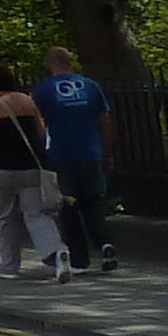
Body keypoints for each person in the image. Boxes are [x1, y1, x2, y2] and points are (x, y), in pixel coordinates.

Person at [0, 60, 67, 281]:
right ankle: (56, 253)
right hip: (31, 166)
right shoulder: (28, 101)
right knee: (36, 214)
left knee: (3, 216)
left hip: (0, 168)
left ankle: (8, 266)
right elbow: (42, 135)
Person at [38, 44, 118, 271]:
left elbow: (39, 125)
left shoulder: (44, 90)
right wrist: (107, 151)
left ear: (49, 64)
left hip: (62, 155)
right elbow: (106, 121)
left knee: (68, 206)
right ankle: (105, 244)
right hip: (91, 153)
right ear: (71, 61)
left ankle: (80, 259)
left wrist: (43, 149)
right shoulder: (91, 86)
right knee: (93, 202)